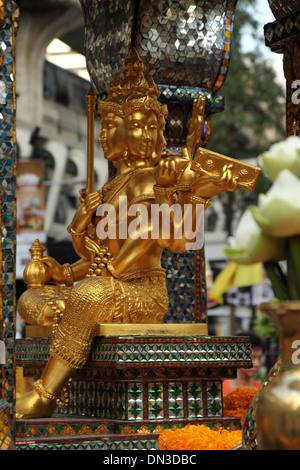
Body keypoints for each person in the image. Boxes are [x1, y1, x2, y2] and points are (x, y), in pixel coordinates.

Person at [16, 48, 242, 419]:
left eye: (149, 126)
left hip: (143, 292)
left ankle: (45, 394)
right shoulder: (108, 189)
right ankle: (70, 336)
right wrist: (63, 273)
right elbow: (96, 261)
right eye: (133, 124)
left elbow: (178, 240)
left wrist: (185, 193)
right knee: (32, 299)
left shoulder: (156, 178)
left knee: (88, 295)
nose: (145, 133)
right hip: (107, 285)